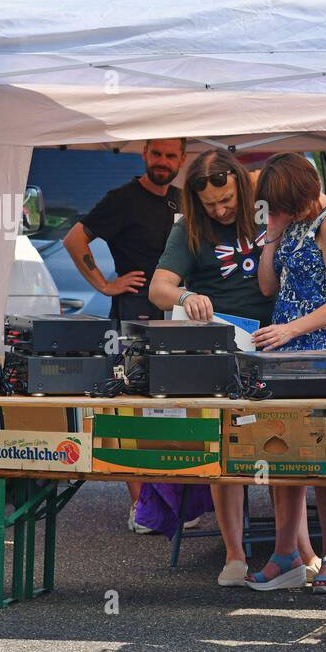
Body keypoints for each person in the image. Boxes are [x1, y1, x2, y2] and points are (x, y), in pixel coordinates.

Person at [148, 150, 279, 586]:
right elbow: (158, 288)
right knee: (228, 451)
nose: (221, 210)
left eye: (226, 200)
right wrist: (185, 297)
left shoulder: (267, 206)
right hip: (223, 350)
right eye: (210, 205)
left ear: (241, 186)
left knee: (284, 448)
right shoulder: (190, 228)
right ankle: (235, 555)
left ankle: (296, 551)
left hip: (277, 343)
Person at [246, 153, 326, 593]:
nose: (276, 214)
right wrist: (271, 237)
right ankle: (286, 553)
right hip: (286, 349)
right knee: (283, 450)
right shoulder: (290, 223)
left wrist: (291, 329)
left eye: (280, 207)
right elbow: (268, 286)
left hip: (325, 352)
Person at [62, 137, 185, 533]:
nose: (163, 161)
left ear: (182, 160)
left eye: (171, 155)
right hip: (133, 318)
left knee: (178, 409)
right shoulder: (122, 198)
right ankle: (141, 507)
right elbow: (74, 239)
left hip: (180, 317)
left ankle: (178, 501)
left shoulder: (185, 201)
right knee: (132, 407)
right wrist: (104, 284)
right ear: (144, 155)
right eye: (157, 153)